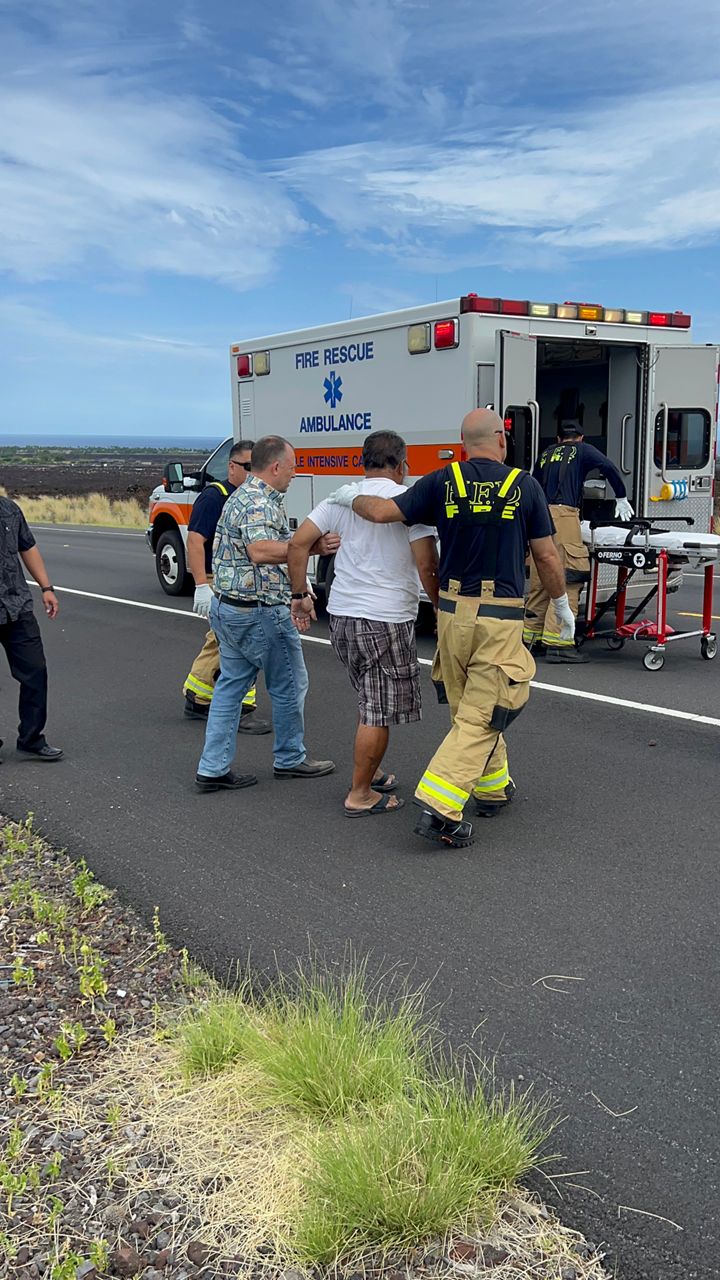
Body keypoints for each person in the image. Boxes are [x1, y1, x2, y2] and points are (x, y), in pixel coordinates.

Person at [328, 409, 572, 849]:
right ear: (500, 439)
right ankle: (440, 806)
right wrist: (559, 603)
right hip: (499, 616)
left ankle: (492, 788)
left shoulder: (442, 481)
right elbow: (548, 557)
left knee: (470, 707)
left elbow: (382, 511)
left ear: (463, 445)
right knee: (489, 708)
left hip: (450, 615)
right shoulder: (525, 486)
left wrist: (350, 497)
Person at [287, 430, 439, 818]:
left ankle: (371, 773)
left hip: (342, 617)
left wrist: (300, 594)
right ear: (402, 465)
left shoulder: (340, 498)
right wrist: (440, 608)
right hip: (385, 618)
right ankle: (359, 794)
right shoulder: (410, 503)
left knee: (371, 699)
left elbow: (298, 543)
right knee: (377, 710)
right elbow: (427, 565)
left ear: (363, 462)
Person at [195, 436, 339, 792]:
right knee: (290, 684)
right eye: (291, 468)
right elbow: (260, 551)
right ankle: (290, 757)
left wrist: (300, 591)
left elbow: (270, 558)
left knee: (229, 687)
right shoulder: (259, 502)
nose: (294, 474)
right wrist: (309, 546)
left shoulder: (240, 496)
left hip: (229, 608)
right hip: (259, 612)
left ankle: (212, 767)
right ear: (276, 467)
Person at [524, 420, 633, 663]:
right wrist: (621, 496)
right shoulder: (582, 450)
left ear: (558, 438)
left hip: (538, 515)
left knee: (541, 576)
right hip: (563, 516)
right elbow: (608, 466)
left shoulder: (545, 453)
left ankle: (531, 639)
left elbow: (532, 484)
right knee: (568, 574)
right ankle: (559, 643)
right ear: (581, 438)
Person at [182, 440, 270, 734]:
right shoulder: (215, 497)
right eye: (248, 467)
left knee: (220, 640)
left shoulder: (251, 498)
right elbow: (195, 541)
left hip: (237, 578)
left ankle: (198, 696)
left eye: (257, 467)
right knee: (241, 642)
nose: (253, 473)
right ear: (231, 466)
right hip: (217, 578)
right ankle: (242, 708)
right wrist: (200, 586)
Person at [0, 496, 62, 761]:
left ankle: (31, 737)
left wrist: (46, 588)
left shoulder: (9, 509)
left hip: (16, 605)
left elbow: (28, 547)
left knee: (35, 671)